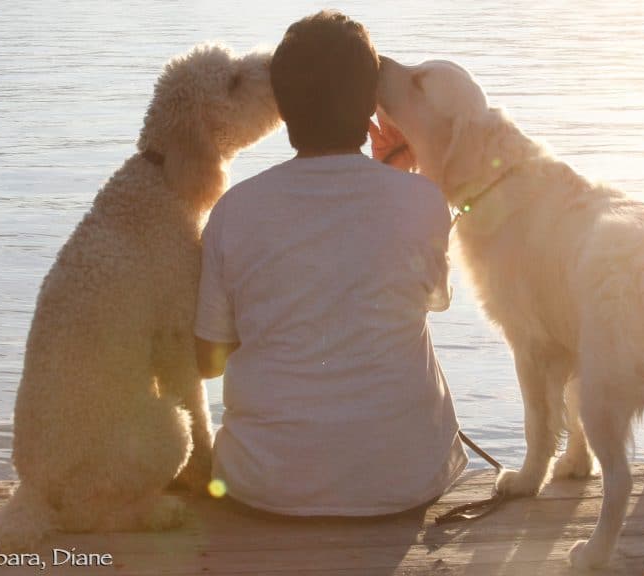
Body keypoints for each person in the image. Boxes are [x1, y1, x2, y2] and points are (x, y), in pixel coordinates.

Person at [194, 10, 467, 516]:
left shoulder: (236, 210)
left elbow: (208, 360)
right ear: (371, 105)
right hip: (407, 480)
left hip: (263, 484)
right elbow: (432, 299)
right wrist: (400, 176)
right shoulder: (423, 201)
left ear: (281, 106)